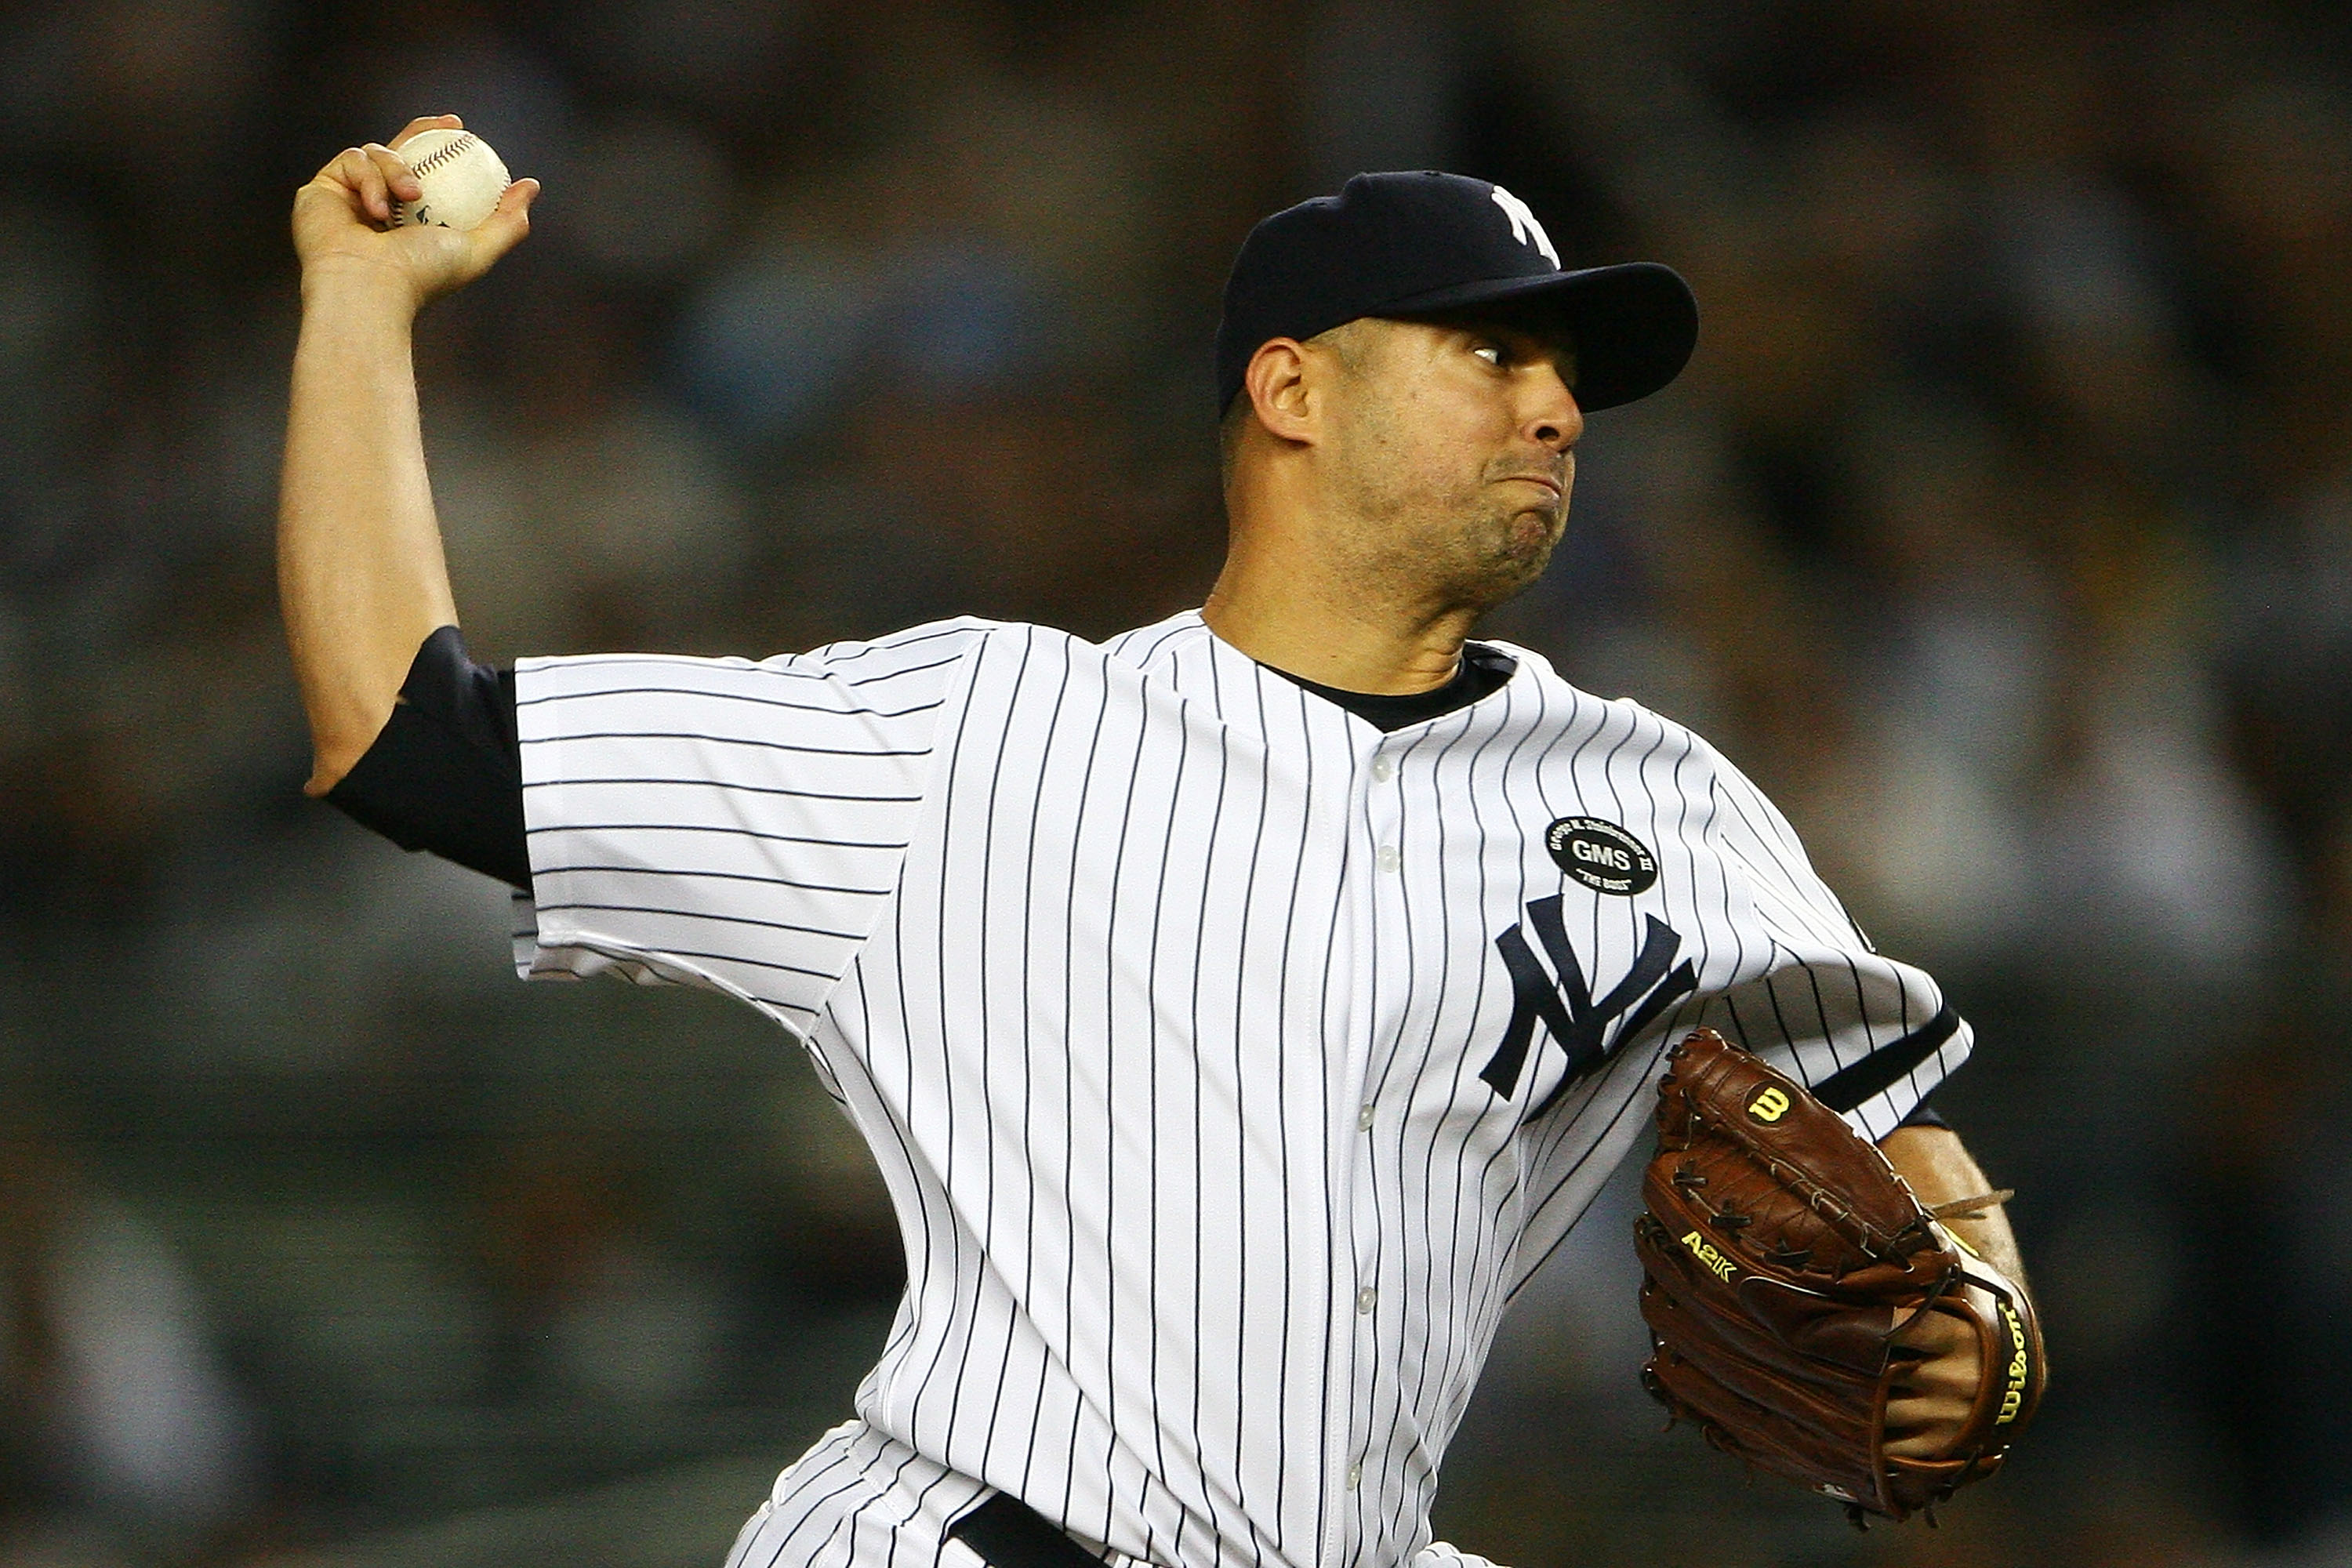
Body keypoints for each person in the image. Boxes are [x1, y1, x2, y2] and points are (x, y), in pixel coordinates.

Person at [280, 117, 2031, 1568]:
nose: (1558, 409)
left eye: (1568, 371)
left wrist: (1977, 1309)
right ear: (1294, 392)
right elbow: (405, 737)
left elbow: (1895, 1132)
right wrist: (360, 307)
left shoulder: (1660, 795)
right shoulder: (975, 735)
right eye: (1492, 351)